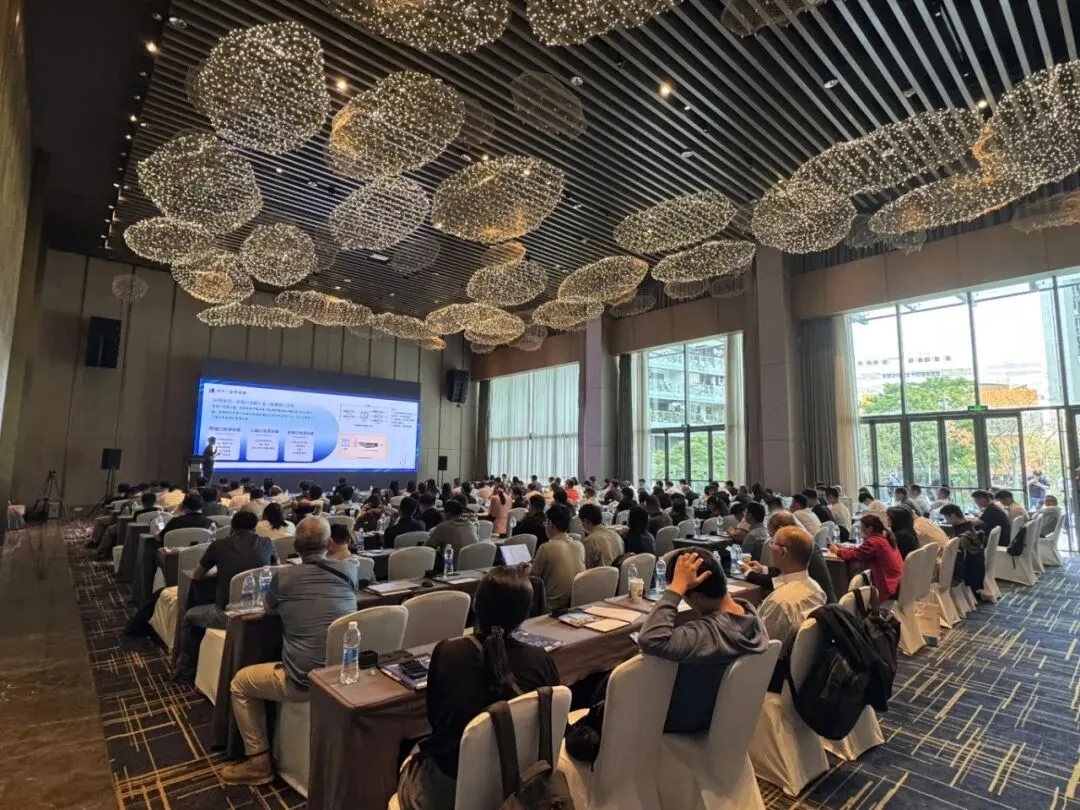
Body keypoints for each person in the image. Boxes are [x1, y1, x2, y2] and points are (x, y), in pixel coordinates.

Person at [396, 567, 559, 809]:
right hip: (519, 784)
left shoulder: (448, 653)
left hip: (451, 789)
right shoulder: (541, 660)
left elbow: (435, 720)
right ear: (525, 614)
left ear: (475, 605)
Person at [220, 518, 358, 785]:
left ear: (295, 547)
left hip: (304, 682)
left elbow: (269, 610)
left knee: (240, 684)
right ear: (329, 544)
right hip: (344, 672)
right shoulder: (349, 571)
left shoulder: (282, 577)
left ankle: (258, 763)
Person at [638, 549, 768, 733]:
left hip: (685, 720)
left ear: (696, 597)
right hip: (725, 714)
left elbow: (650, 639)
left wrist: (676, 588)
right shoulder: (750, 614)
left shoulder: (709, 634)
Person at [174, 510, 277, 683]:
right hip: (260, 610)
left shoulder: (218, 545)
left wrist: (219, 571)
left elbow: (197, 575)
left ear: (232, 528)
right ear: (254, 528)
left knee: (189, 617)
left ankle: (186, 671)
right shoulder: (267, 543)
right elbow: (275, 570)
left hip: (228, 614)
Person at [753, 526, 826, 689]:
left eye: (772, 543)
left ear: (783, 553)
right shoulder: (816, 588)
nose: (770, 546)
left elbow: (761, 650)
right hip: (803, 674)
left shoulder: (781, 602)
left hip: (771, 677)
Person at [829, 514, 904, 601]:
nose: (860, 530)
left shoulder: (874, 542)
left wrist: (837, 551)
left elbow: (854, 555)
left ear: (870, 528)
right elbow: (860, 551)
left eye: (862, 527)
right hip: (896, 582)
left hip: (887, 586)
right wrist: (844, 549)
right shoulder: (884, 539)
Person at [529, 505, 584, 609]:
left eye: (546, 523)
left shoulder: (546, 547)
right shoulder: (579, 545)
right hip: (574, 603)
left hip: (551, 606)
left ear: (550, 524)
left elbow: (533, 580)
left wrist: (523, 571)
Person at [427, 499, 477, 571]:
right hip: (472, 565)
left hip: (452, 565)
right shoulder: (471, 525)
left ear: (448, 513)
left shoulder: (443, 526)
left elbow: (428, 546)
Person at [579, 503, 623, 568]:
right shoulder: (616, 535)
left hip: (600, 573)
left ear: (586, 521)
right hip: (618, 573)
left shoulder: (590, 540)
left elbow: (587, 566)